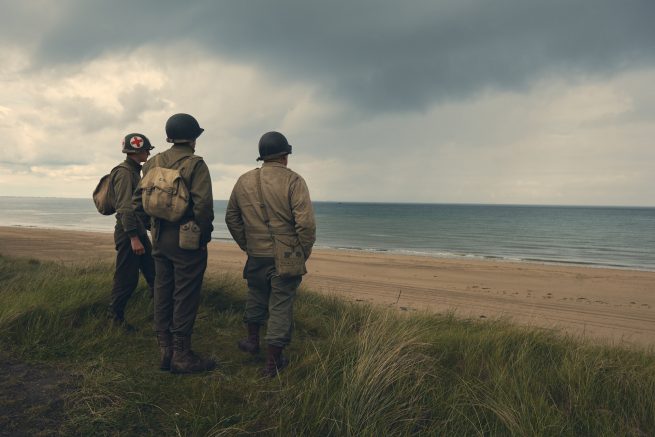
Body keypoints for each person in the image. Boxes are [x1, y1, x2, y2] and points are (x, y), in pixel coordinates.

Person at [225, 131, 316, 377]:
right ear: (285, 156)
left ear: (262, 157)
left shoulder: (244, 180)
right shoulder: (294, 181)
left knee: (255, 296)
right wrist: (302, 252)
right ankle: (273, 362)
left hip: (256, 253)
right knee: (280, 305)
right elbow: (305, 224)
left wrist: (247, 244)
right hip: (285, 256)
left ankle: (252, 341)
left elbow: (231, 217)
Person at [133, 113, 216, 374]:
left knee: (162, 290)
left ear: (169, 137)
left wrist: (152, 227)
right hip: (186, 238)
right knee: (185, 294)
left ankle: (165, 351)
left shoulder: (152, 163)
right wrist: (203, 237)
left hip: (159, 237)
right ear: (193, 138)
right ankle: (182, 355)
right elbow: (203, 207)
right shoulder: (195, 164)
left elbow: (138, 203)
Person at [108, 133, 156, 331]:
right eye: (146, 150)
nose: (148, 153)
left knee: (155, 276)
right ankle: (114, 320)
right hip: (129, 233)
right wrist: (134, 238)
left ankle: (160, 319)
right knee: (126, 280)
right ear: (137, 151)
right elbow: (126, 208)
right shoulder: (125, 173)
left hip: (137, 232)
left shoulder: (134, 170)